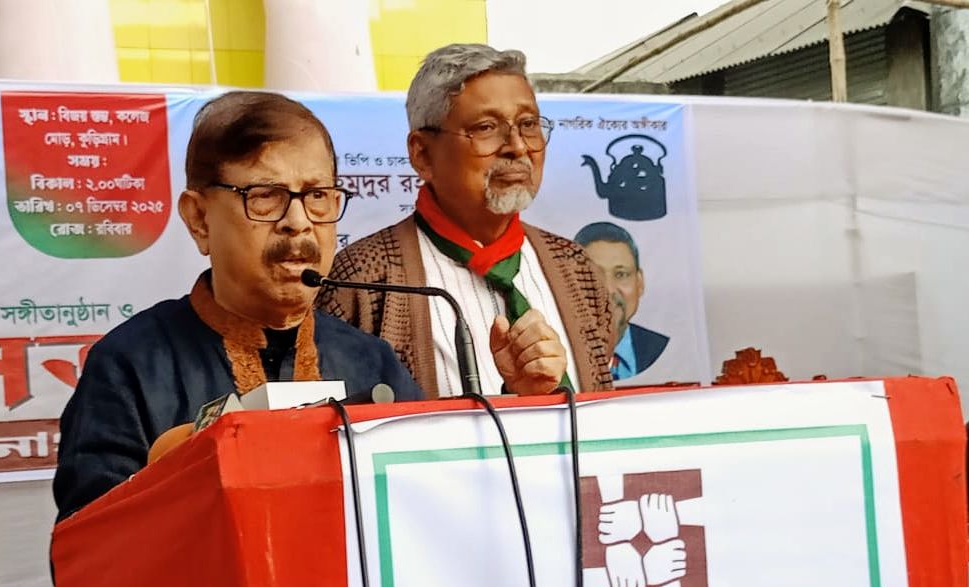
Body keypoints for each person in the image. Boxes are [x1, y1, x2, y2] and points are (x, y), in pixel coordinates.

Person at [53, 91, 421, 520]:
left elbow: (421, 513)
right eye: (265, 195)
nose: (298, 222)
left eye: (318, 195)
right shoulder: (129, 366)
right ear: (199, 219)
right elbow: (92, 544)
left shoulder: (372, 362)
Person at [318, 43, 614, 398]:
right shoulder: (362, 281)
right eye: (486, 127)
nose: (518, 146)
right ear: (422, 153)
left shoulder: (578, 269)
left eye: (528, 124)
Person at [574, 221, 668, 380]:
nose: (609, 289)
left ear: (639, 282)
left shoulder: (661, 348)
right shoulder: (553, 352)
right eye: (594, 275)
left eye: (621, 274)